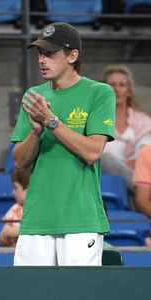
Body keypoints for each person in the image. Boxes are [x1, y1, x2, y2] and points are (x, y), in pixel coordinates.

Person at [11, 22, 116, 266]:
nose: (41, 60)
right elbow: (20, 163)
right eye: (40, 53)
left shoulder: (100, 93)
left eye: (50, 53)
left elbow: (92, 152)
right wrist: (35, 133)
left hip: (81, 219)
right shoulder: (33, 96)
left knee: (78, 293)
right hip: (37, 218)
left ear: (72, 55)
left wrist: (51, 121)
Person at [101, 65, 151, 192]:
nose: (117, 89)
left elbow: (146, 149)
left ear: (129, 91)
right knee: (106, 159)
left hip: (138, 175)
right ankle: (140, 192)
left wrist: (138, 161)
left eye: (122, 85)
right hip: (105, 181)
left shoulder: (143, 121)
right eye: (112, 84)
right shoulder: (94, 119)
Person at [0, 168, 30, 247]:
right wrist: (9, 233)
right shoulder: (15, 209)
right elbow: (1, 239)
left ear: (28, 188)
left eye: (15, 188)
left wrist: (19, 232)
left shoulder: (41, 210)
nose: (13, 192)